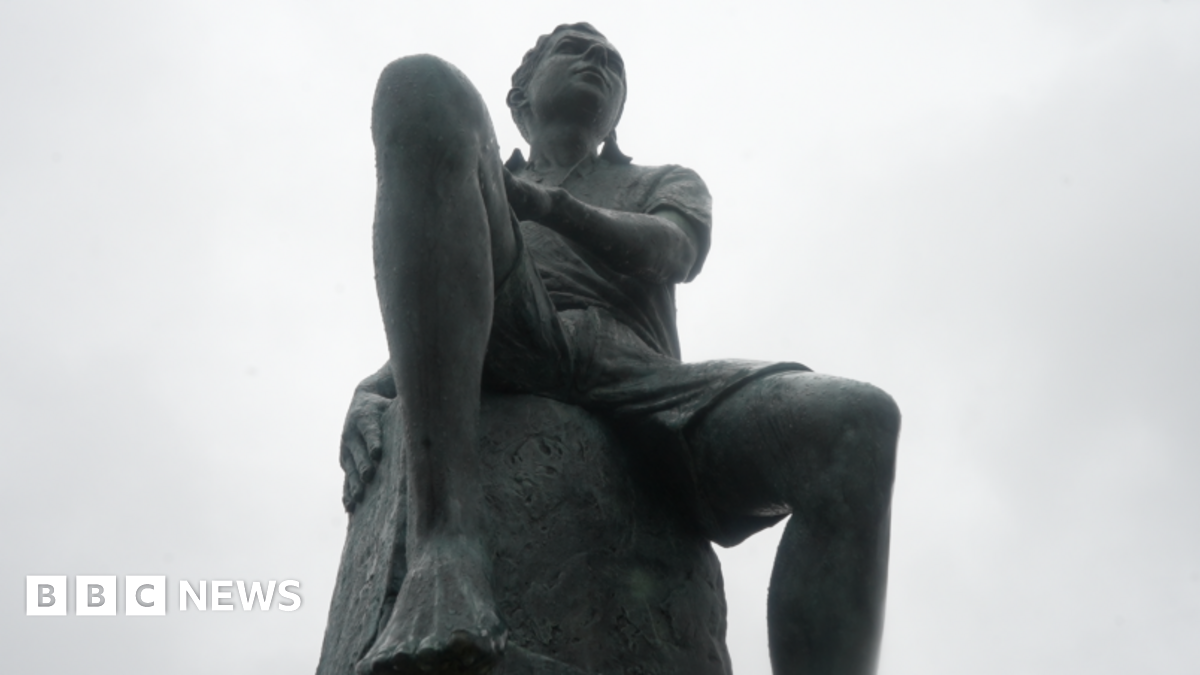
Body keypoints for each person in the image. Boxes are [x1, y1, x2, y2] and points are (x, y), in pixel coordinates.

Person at [338, 23, 900, 675]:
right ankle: (445, 550)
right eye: (577, 51)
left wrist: (554, 208)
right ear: (521, 99)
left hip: (638, 372)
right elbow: (451, 302)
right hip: (524, 333)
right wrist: (371, 391)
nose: (598, 63)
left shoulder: (666, 180)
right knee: (421, 84)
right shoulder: (478, 171)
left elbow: (673, 251)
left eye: (611, 60)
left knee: (855, 420)